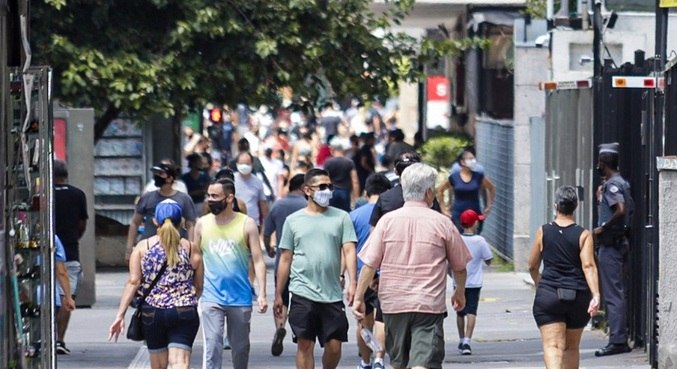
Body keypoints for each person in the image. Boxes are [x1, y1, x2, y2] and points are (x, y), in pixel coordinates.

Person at [353, 163, 471, 369]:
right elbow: (459, 267)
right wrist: (459, 291)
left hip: (393, 305)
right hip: (428, 305)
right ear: (428, 192)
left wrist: (358, 298)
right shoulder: (442, 223)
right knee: (423, 362)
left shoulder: (386, 222)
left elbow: (369, 265)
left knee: (399, 363)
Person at [274, 168, 358, 369]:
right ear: (307, 190)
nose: (327, 190)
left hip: (332, 293)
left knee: (335, 346)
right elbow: (285, 259)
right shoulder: (293, 221)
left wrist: (353, 282)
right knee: (304, 343)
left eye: (330, 186)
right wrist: (278, 294)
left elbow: (349, 250)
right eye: (322, 187)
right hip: (302, 291)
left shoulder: (341, 217)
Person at [109, 199, 203, 369]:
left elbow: (133, 282)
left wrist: (120, 315)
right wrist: (186, 300)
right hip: (184, 310)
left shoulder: (142, 247)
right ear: (181, 221)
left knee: (158, 365)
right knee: (180, 362)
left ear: (154, 221)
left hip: (152, 312)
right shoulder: (190, 248)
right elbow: (199, 284)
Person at [194, 178, 268, 369]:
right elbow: (196, 259)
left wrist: (261, 293)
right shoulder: (202, 224)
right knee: (212, 346)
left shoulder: (247, 224)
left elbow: (258, 260)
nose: (210, 200)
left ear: (229, 198)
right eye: (209, 196)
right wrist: (194, 289)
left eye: (215, 196)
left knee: (240, 349)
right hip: (211, 296)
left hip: (240, 297)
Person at [528, 185, 601, 368]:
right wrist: (596, 295)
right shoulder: (584, 235)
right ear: (575, 206)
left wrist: (539, 283)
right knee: (571, 347)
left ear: (555, 206)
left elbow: (532, 265)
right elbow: (588, 265)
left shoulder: (543, 231)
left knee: (553, 345)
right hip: (578, 296)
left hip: (549, 294)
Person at [593, 143, 633, 356]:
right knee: (619, 292)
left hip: (611, 246)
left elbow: (620, 209)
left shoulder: (613, 186)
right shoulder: (620, 183)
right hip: (620, 243)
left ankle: (617, 341)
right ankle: (619, 337)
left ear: (604, 164)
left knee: (613, 295)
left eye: (599, 163)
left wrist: (603, 228)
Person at [350, 174, 392, 369]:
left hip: (362, 275)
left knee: (363, 321)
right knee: (381, 319)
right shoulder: (391, 214)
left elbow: (348, 250)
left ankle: (365, 361)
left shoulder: (354, 215)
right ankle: (379, 359)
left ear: (366, 192)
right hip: (386, 273)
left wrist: (346, 277)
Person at [263, 174, 308, 356]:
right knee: (302, 299)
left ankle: (280, 326)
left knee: (281, 297)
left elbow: (267, 233)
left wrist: (269, 249)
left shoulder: (278, 205)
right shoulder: (307, 207)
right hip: (303, 261)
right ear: (303, 187)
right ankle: (301, 331)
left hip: (282, 259)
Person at [127, 162, 197, 262]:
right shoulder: (147, 197)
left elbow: (190, 225)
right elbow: (135, 222)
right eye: (156, 173)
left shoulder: (184, 199)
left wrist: (190, 247)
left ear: (170, 178)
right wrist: (129, 249)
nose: (157, 176)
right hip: (148, 248)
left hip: (176, 248)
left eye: (161, 174)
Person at [53, 160, 88, 355]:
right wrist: (73, 237)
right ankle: (59, 339)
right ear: (66, 175)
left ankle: (45, 336)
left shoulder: (44, 194)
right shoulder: (78, 194)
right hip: (70, 250)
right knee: (67, 297)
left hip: (43, 252)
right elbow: (82, 223)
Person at [369, 150, 441, 227]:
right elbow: (439, 223)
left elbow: (374, 231)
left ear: (395, 171)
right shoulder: (428, 196)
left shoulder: (385, 198)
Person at [455, 209, 493, 355]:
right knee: (472, 310)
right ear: (474, 223)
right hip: (474, 283)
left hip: (459, 281)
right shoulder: (480, 241)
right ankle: (467, 341)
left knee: (459, 312)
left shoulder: (457, 239)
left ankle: (460, 339)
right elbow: (488, 260)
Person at [436, 147, 496, 232]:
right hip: (458, 216)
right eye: (470, 159)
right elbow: (440, 189)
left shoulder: (478, 176)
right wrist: (443, 208)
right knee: (460, 240)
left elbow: (491, 188)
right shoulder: (454, 177)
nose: (473, 161)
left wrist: (489, 206)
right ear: (462, 162)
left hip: (475, 216)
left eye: (474, 158)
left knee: (474, 240)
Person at [233, 152, 269, 228]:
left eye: (247, 163)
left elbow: (263, 203)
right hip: (234, 223)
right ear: (237, 164)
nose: (244, 166)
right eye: (241, 163)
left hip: (253, 222)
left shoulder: (257, 182)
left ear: (252, 164)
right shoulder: (231, 180)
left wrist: (266, 223)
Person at [323, 137, 360, 212]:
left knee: (331, 213)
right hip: (345, 192)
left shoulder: (328, 162)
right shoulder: (349, 162)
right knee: (345, 213)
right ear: (343, 150)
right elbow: (355, 180)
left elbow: (324, 179)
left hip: (331, 192)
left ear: (334, 150)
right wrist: (356, 198)